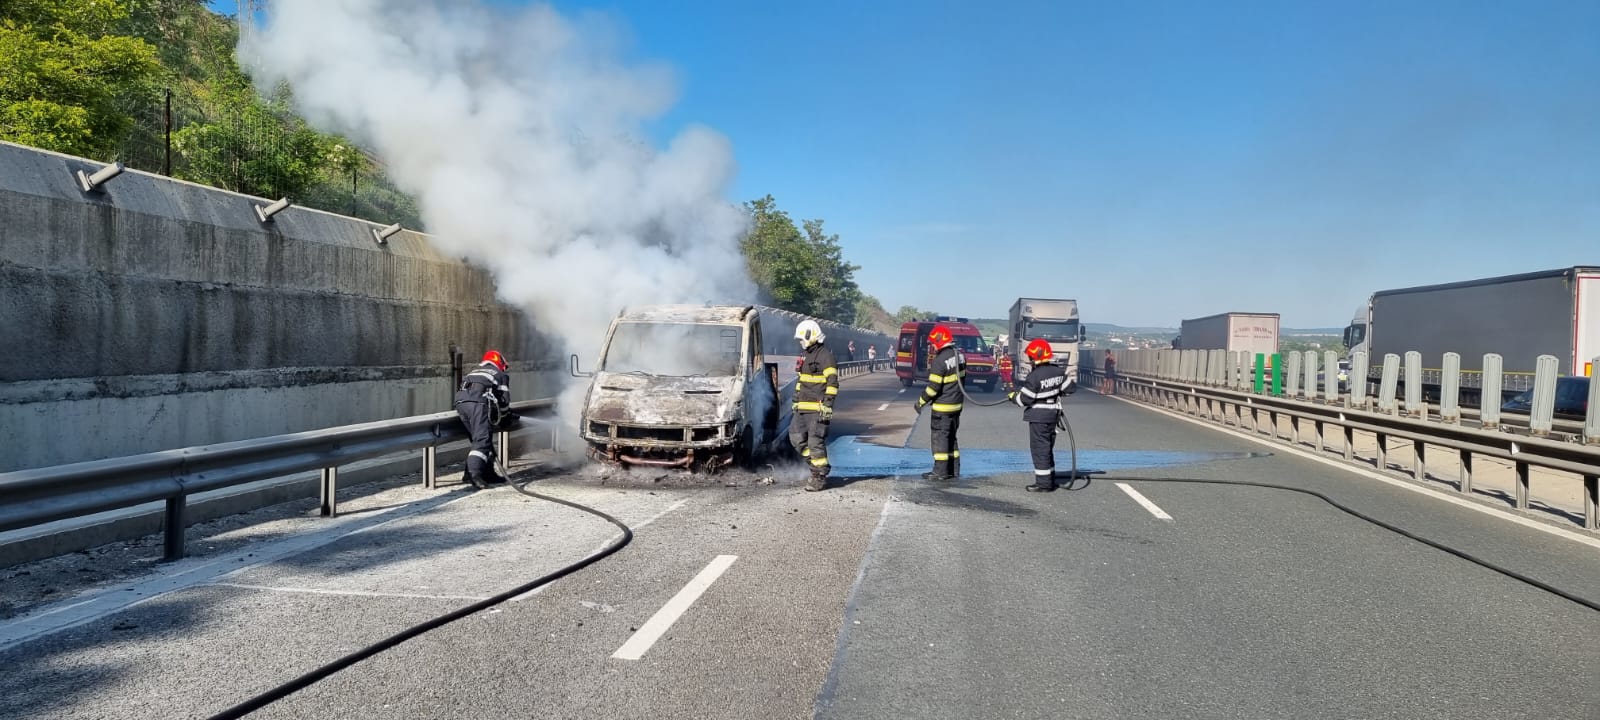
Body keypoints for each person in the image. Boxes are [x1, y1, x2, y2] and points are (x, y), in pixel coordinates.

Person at [1010, 339, 1075, 492]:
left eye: (1030, 357)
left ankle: (1044, 484)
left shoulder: (1034, 376)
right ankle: (1050, 478)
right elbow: (1070, 389)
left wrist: (1013, 397)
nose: (1030, 360)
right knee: (1047, 447)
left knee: (1040, 449)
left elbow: (1024, 400)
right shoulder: (1058, 371)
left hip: (1038, 417)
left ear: (1036, 357)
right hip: (1053, 415)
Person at [791, 320, 838, 491]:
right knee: (795, 438)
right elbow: (800, 381)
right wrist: (795, 399)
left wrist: (827, 405)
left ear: (811, 335)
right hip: (802, 407)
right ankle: (816, 467)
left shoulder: (826, 356)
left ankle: (819, 477)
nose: (800, 342)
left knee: (815, 442)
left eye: (802, 338)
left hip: (818, 409)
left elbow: (832, 383)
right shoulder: (805, 356)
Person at [914, 324, 965, 480]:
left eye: (933, 343)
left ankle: (940, 472)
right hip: (956, 405)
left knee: (940, 438)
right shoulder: (960, 356)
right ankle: (953, 470)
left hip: (942, 407)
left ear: (939, 340)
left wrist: (920, 402)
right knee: (951, 437)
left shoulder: (939, 360)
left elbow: (933, 388)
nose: (932, 346)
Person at [455, 349, 511, 489]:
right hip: (478, 404)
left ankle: (485, 473)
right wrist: (505, 416)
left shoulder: (473, 372)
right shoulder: (500, 375)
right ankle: (475, 476)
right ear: (500, 362)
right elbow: (504, 401)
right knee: (482, 440)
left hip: (461, 403)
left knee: (478, 439)